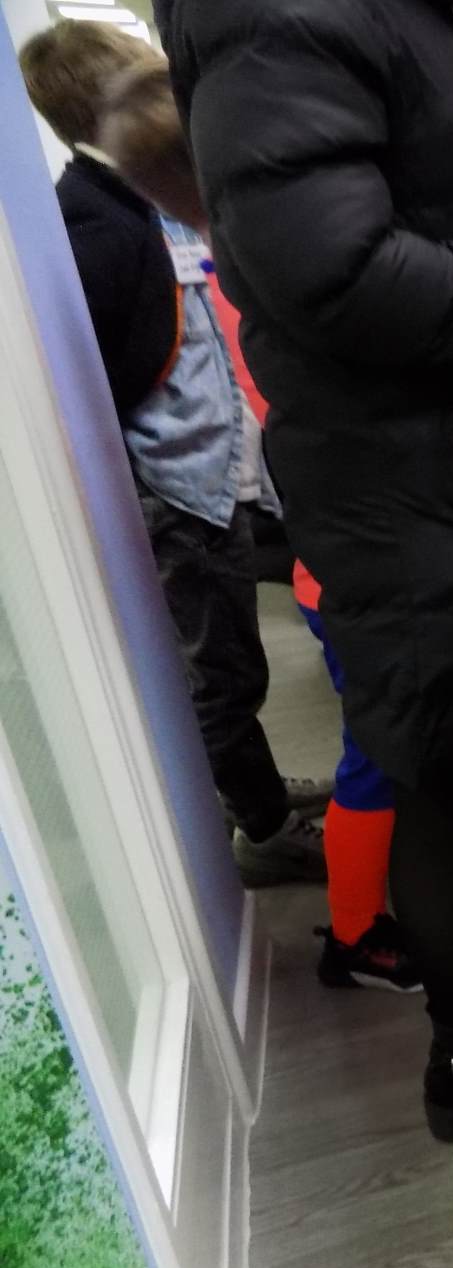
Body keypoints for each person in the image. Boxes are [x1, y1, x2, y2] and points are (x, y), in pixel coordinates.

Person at [157, 0, 453, 1145]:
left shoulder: (405, 18)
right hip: (416, 482)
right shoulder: (277, 15)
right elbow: (335, 270)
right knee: (443, 766)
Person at [100, 54, 417, 986]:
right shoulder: (258, 284)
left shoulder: (235, 274)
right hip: (349, 558)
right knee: (376, 753)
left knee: (407, 738)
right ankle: (355, 933)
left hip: (345, 548)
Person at [21, 20, 330, 889]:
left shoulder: (140, 202)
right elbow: (94, 377)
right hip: (177, 488)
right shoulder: (96, 221)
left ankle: (256, 790)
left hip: (214, 473)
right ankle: (262, 830)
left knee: (235, 659)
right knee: (219, 673)